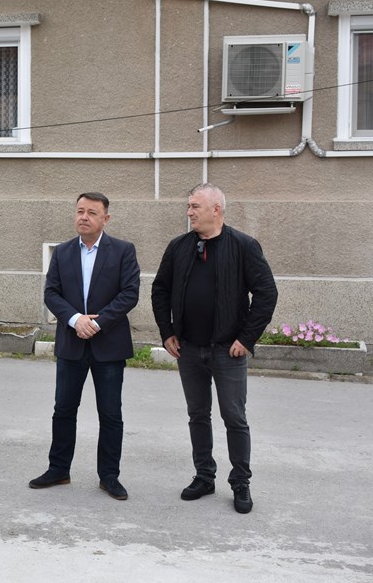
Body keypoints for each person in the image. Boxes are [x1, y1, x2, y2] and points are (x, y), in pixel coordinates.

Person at [151, 183, 277, 514]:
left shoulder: (243, 246)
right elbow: (160, 289)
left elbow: (266, 293)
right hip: (188, 349)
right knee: (197, 414)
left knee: (234, 417)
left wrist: (246, 339)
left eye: (195, 206)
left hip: (227, 351)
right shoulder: (179, 247)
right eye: (189, 206)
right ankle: (204, 476)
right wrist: (167, 332)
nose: (189, 212)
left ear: (216, 210)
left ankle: (241, 482)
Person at [29, 192, 140, 500]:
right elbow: (51, 293)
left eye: (92, 212)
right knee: (63, 410)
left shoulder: (123, 251)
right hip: (71, 343)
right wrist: (76, 320)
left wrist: (98, 323)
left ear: (106, 218)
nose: (84, 217)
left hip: (109, 344)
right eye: (80, 211)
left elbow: (129, 294)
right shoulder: (63, 252)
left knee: (110, 414)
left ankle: (109, 476)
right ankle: (58, 469)